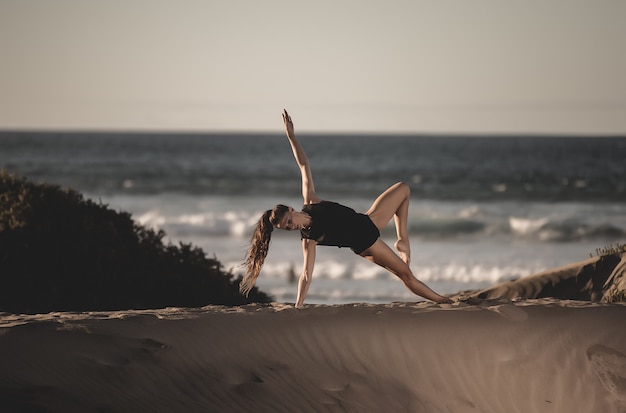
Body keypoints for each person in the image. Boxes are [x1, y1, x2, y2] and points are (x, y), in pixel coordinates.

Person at [241, 110, 453, 307]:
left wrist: (291, 137)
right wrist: (298, 306)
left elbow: (304, 165)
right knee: (406, 274)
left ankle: (402, 240)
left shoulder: (311, 200)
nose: (291, 227)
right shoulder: (309, 239)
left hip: (369, 220)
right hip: (367, 243)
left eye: (289, 221)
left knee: (403, 188)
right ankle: (444, 302)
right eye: (287, 229)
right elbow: (306, 275)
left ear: (291, 209)